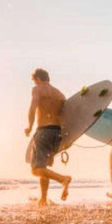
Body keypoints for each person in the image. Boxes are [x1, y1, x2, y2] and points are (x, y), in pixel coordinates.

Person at [25, 68, 72, 206]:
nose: (34, 83)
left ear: (37, 79)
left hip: (44, 130)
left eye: (34, 81)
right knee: (43, 167)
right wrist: (67, 139)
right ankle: (43, 198)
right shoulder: (60, 95)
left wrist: (29, 126)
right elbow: (67, 117)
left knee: (36, 169)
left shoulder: (37, 89)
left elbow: (32, 108)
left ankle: (63, 179)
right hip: (57, 133)